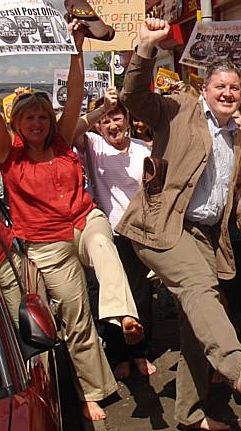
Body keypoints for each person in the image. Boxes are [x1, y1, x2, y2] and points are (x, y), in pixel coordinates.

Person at [116, 17, 241, 431]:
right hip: (161, 226)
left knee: (194, 323)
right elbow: (133, 97)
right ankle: (237, 363)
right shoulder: (180, 108)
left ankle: (189, 416)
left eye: (234, 88)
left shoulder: (237, 137)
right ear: (205, 90)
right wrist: (147, 46)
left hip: (205, 236)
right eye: (220, 86)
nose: (227, 92)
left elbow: (227, 191)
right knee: (199, 287)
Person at [0, 22, 135, 422]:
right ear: (17, 124)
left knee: (103, 243)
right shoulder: (8, 152)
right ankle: (93, 391)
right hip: (46, 244)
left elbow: (75, 93)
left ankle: (123, 315)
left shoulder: (61, 138)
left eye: (42, 115)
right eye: (29, 118)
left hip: (82, 219)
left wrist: (77, 49)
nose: (37, 123)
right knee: (75, 318)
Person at [74, 87, 156, 378]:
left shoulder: (143, 149)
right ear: (98, 125)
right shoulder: (94, 147)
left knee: (140, 293)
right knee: (112, 294)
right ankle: (119, 354)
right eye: (106, 120)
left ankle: (140, 352)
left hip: (141, 231)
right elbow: (71, 131)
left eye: (117, 117)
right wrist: (100, 108)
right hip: (110, 232)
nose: (112, 125)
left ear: (128, 120)